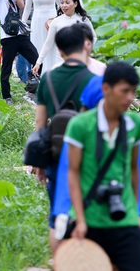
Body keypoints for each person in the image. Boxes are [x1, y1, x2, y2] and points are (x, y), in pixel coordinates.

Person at [66, 61, 140, 271]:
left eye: (133, 91)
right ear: (106, 89)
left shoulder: (136, 125)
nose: (130, 98)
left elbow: (133, 168)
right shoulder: (80, 125)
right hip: (90, 218)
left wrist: (135, 210)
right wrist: (80, 219)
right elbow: (73, 172)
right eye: (124, 91)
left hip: (124, 218)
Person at [33, 24, 94, 252]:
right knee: (89, 215)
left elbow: (41, 124)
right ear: (85, 46)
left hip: (57, 155)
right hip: (89, 157)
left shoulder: (47, 79)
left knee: (57, 216)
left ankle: (60, 262)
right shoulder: (95, 81)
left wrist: (40, 163)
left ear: (59, 51)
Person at [0, 0, 38, 105]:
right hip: (7, 37)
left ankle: (32, 90)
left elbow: (22, 5)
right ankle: (7, 97)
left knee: (36, 59)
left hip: (20, 34)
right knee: (6, 69)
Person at [32, 0, 96, 75]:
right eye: (62, 3)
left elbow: (93, 37)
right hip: (61, 60)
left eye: (67, 2)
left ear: (75, 4)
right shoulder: (56, 21)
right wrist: (38, 62)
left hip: (80, 59)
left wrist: (86, 50)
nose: (64, 5)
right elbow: (48, 43)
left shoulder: (83, 20)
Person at [22, 0, 62, 73]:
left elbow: (61, 6)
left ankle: (53, 74)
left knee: (52, 48)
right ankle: (38, 77)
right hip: (37, 22)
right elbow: (27, 9)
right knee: (37, 48)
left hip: (52, 22)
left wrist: (62, 20)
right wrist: (22, 26)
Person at [5, 0, 37, 84]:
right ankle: (32, 75)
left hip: (24, 21)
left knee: (22, 52)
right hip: (36, 19)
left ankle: (25, 78)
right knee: (32, 48)